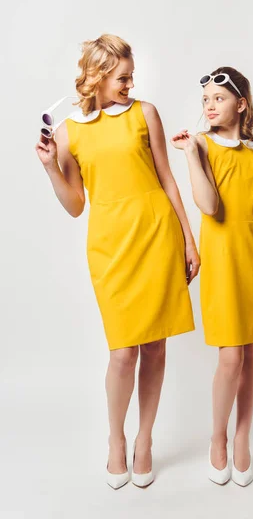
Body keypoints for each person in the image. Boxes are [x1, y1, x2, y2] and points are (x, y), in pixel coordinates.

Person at [35, 34, 198, 489]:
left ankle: (144, 441)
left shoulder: (146, 114)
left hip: (157, 234)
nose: (130, 83)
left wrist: (188, 239)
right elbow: (74, 204)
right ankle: (115, 439)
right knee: (123, 352)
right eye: (122, 77)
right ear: (98, 77)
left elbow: (167, 178)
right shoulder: (68, 132)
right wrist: (51, 166)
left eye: (131, 76)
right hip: (110, 245)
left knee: (156, 347)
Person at [171, 67, 253, 486]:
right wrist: (189, 156)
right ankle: (217, 438)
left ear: (241, 104)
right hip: (222, 261)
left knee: (252, 355)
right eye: (205, 101)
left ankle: (242, 438)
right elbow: (209, 207)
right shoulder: (200, 144)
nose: (209, 107)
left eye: (217, 99)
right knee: (231, 357)